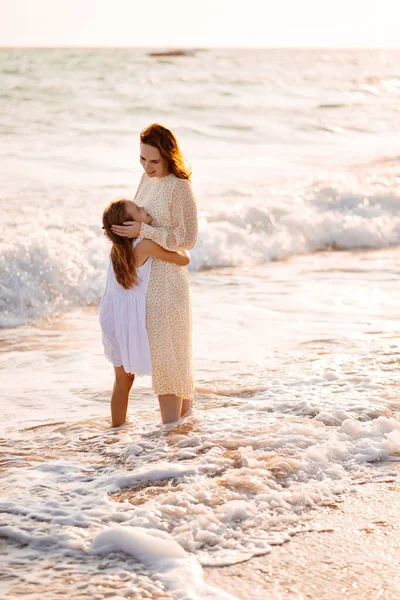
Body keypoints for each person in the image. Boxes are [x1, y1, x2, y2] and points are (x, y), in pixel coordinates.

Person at [111, 123, 198, 424]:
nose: (147, 167)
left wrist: (145, 232)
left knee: (170, 356)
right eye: (142, 159)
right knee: (164, 355)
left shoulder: (179, 186)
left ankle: (174, 436)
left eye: (154, 161)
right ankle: (183, 434)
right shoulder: (145, 180)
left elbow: (188, 238)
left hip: (169, 281)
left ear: (168, 156)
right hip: (145, 282)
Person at [100, 198, 190, 427]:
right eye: (138, 210)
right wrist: (149, 230)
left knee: (122, 381)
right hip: (131, 317)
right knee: (164, 366)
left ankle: (116, 430)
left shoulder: (116, 249)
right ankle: (170, 423)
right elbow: (184, 258)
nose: (145, 209)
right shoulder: (144, 245)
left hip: (112, 314)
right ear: (128, 227)